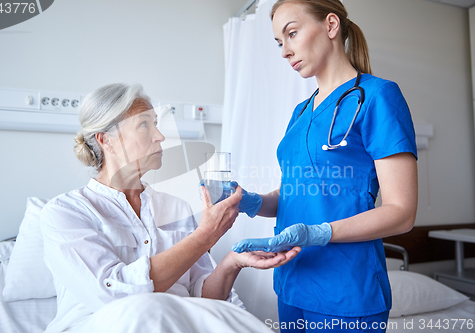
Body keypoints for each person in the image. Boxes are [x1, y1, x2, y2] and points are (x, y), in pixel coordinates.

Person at [40, 83, 300, 333]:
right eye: (144, 124)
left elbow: (204, 296)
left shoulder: (175, 208)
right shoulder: (66, 213)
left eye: (156, 123)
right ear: (106, 140)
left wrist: (232, 263)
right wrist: (206, 235)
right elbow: (115, 295)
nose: (160, 136)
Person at [227, 0, 418, 332]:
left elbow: (402, 212)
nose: (285, 51)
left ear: (331, 26)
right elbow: (298, 192)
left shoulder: (377, 97)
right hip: (292, 281)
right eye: (279, 42)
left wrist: (319, 233)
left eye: (292, 33)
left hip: (346, 289)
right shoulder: (300, 113)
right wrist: (253, 201)